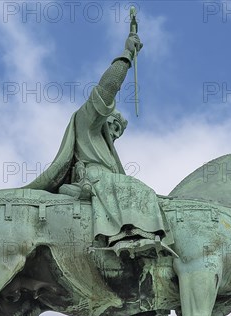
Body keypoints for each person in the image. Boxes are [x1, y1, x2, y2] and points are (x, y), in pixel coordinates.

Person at [25, 32, 175, 258]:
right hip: (95, 179)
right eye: (113, 125)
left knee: (140, 189)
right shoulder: (88, 122)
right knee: (133, 187)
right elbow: (107, 88)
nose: (115, 132)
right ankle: (127, 237)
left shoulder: (108, 150)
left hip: (106, 181)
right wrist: (126, 57)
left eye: (119, 131)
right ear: (104, 117)